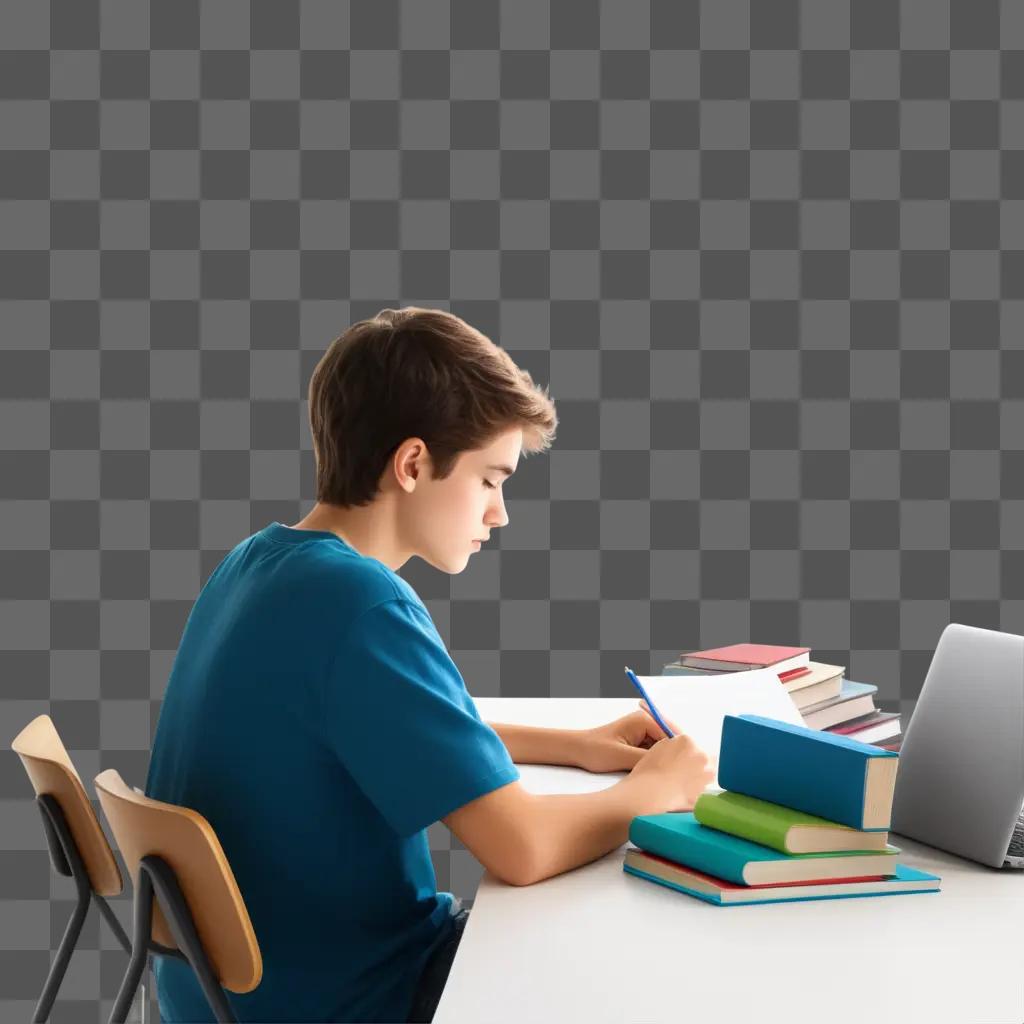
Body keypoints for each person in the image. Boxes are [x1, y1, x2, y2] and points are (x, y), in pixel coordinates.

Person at [145, 307, 714, 1024]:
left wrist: (573, 744)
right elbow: (523, 847)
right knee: (626, 927)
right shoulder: (363, 604)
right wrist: (650, 793)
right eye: (489, 479)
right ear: (413, 464)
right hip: (364, 999)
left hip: (230, 996)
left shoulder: (258, 566)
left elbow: (367, 732)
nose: (499, 513)